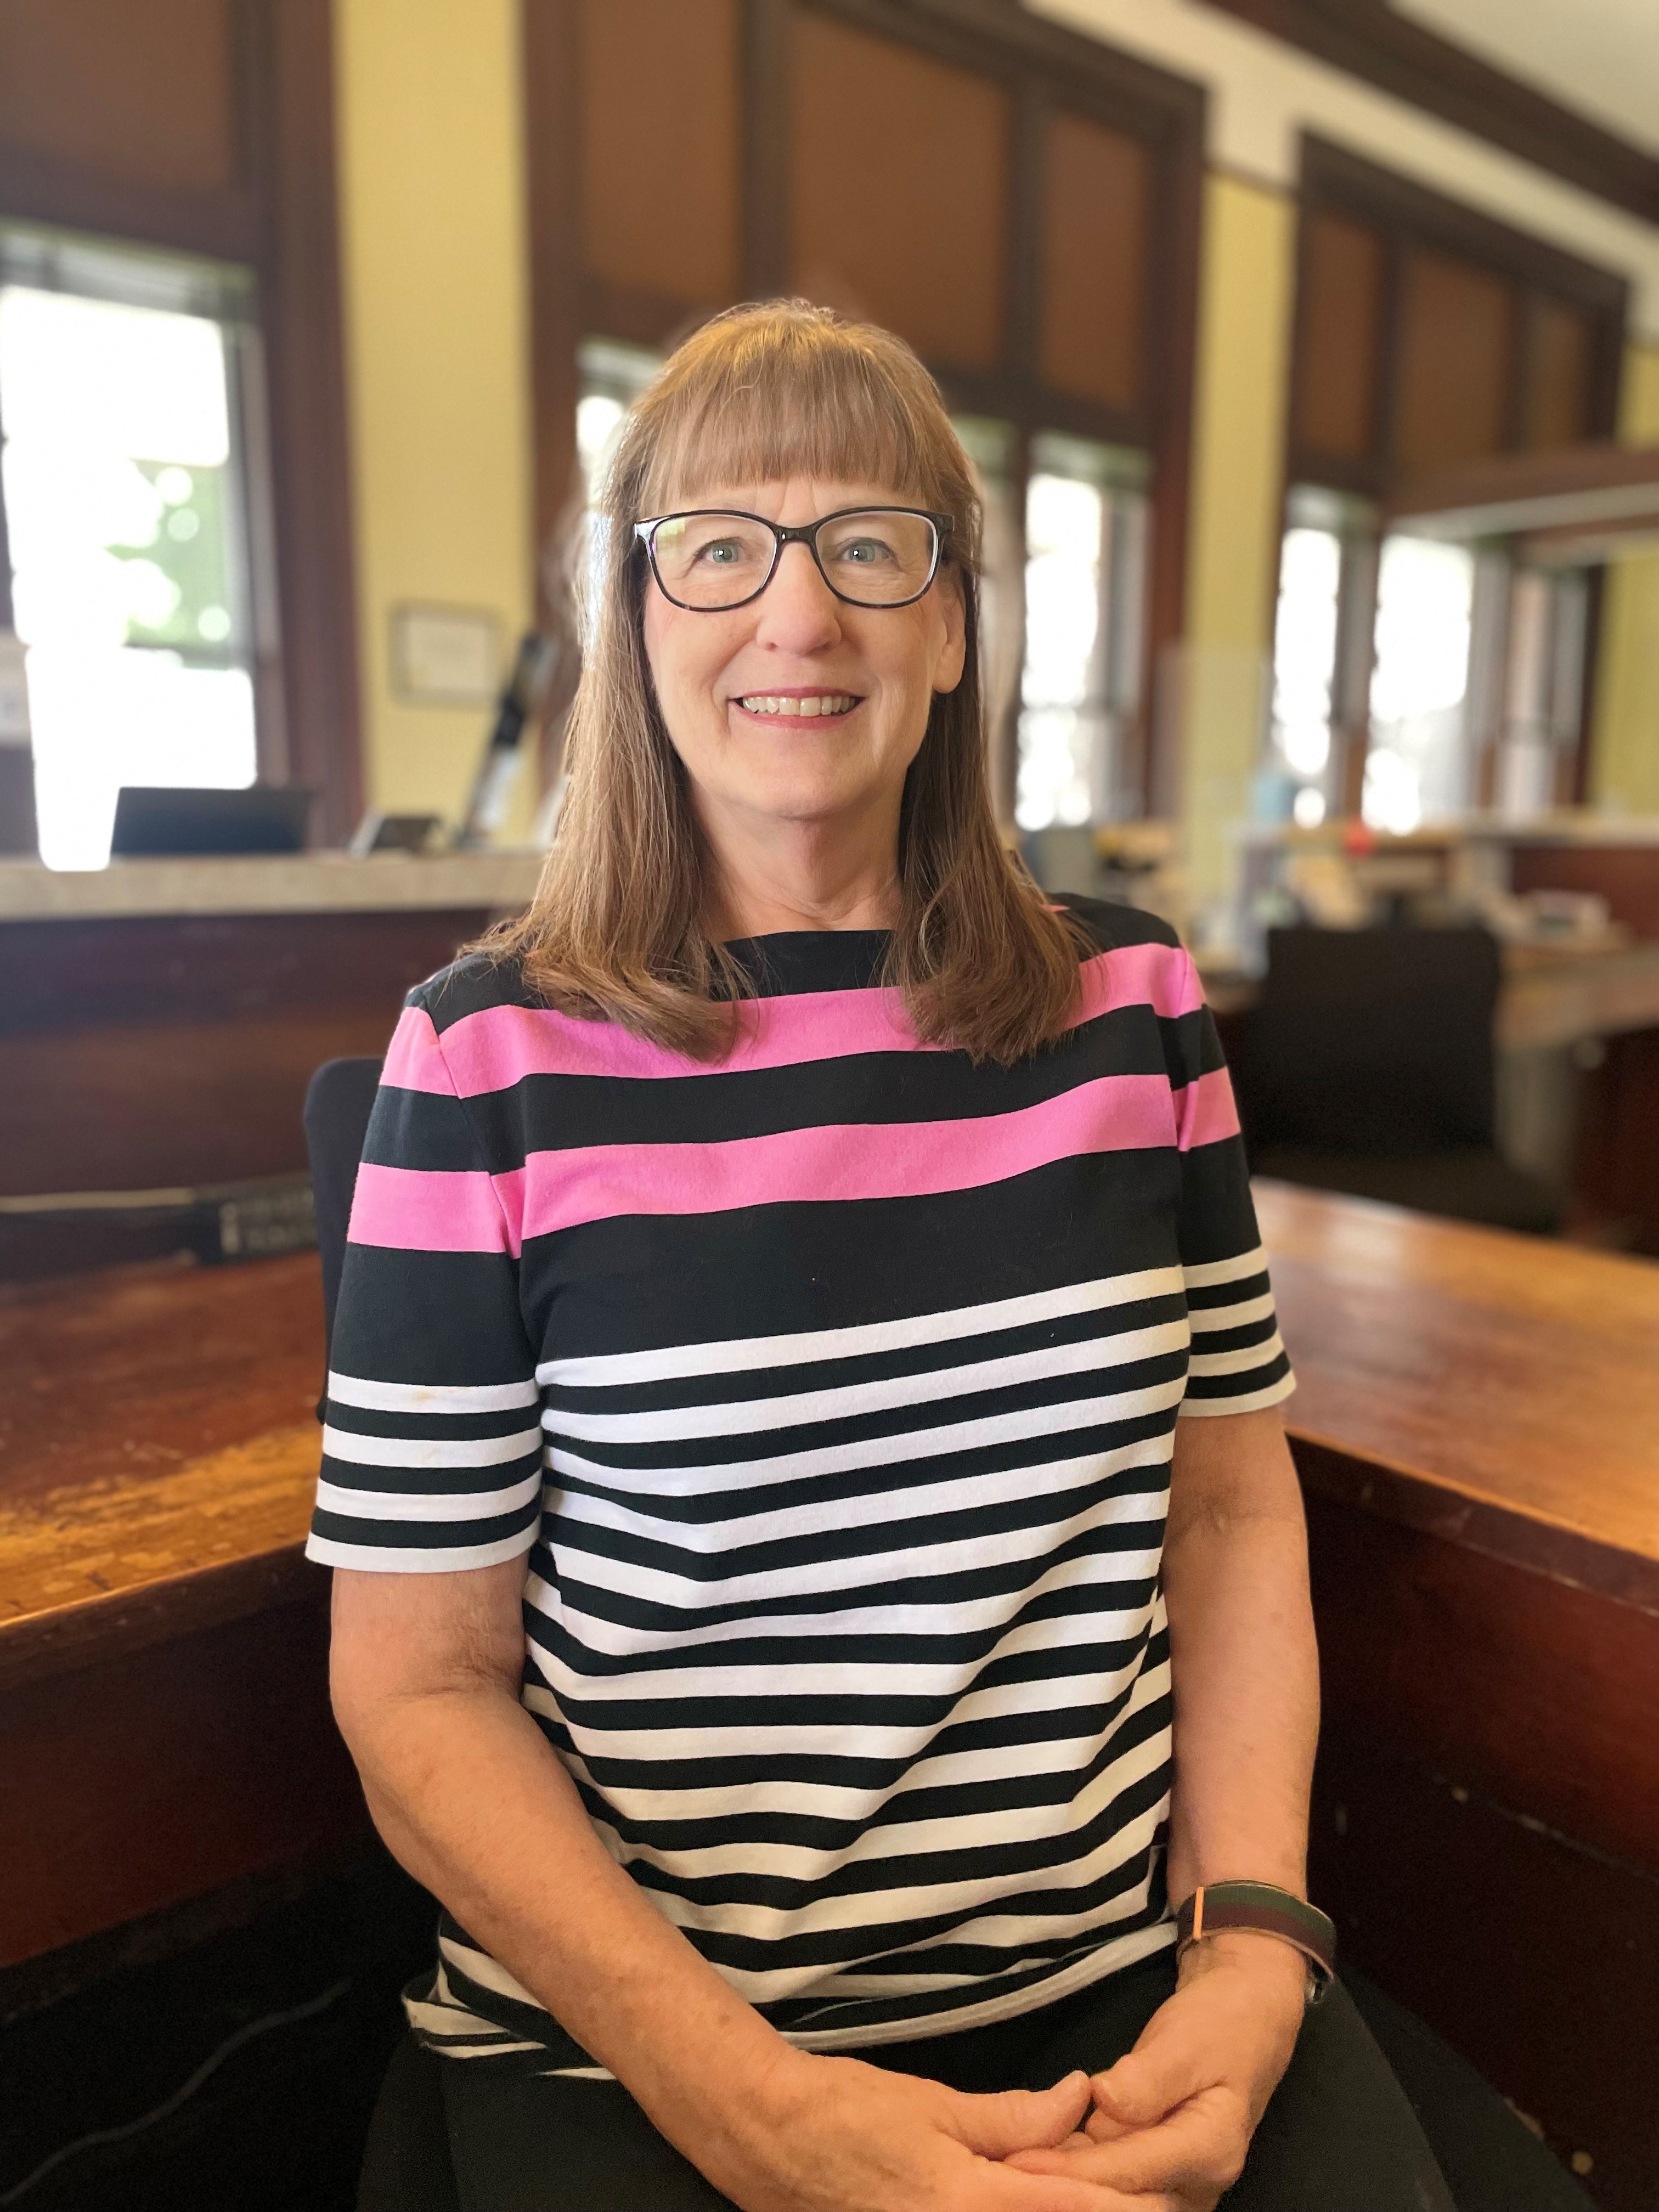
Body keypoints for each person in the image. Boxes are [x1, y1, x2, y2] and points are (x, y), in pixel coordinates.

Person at [310, 302, 1591, 2212]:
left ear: (957, 622)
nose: (799, 616)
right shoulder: (481, 1061)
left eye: (871, 544)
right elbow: (416, 1684)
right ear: (636, 618)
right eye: (719, 547)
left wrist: (1254, 1945)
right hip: (645, 2046)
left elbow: (1232, 1520)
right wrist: (745, 2101)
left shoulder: (1136, 1007)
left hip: (1113, 2001)